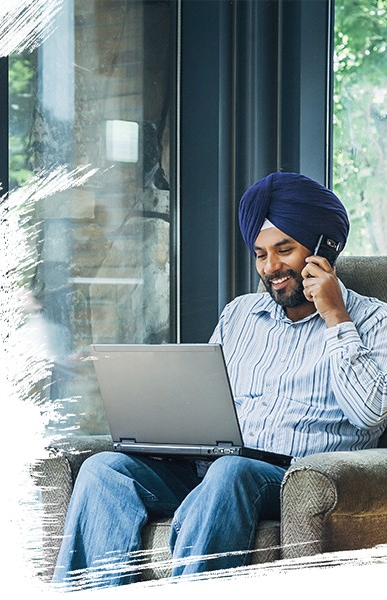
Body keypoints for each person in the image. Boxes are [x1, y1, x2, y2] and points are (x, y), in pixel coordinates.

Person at [51, 172, 387, 591]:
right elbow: (204, 403)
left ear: (324, 251)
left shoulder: (373, 320)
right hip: (211, 469)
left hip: (287, 476)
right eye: (261, 254)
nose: (272, 268)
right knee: (105, 469)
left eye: (285, 250)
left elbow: (371, 414)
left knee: (230, 471)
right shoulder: (240, 315)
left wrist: (336, 317)